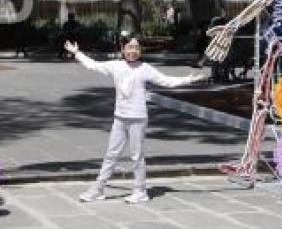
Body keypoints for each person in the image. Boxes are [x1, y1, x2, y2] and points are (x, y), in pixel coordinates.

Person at [65, 37, 205, 204]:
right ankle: (99, 188)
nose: (133, 51)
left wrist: (188, 79)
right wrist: (77, 53)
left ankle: (140, 191)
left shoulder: (145, 69)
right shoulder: (115, 66)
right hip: (119, 118)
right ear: (123, 50)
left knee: (136, 156)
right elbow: (93, 65)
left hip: (138, 118)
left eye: (136, 48)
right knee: (111, 154)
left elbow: (166, 81)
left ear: (140, 52)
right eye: (129, 48)